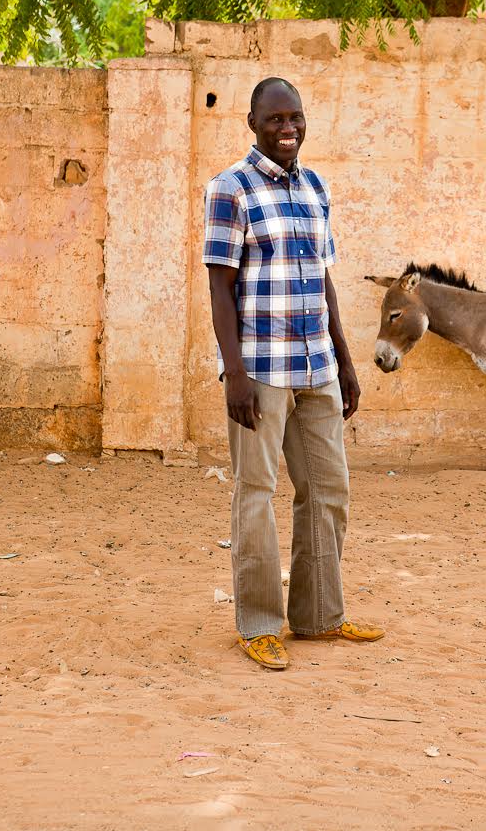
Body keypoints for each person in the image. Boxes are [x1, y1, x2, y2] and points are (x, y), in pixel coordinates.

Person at [202, 77, 384, 670]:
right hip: (260, 367)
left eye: (295, 118)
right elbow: (219, 285)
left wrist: (346, 360)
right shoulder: (230, 189)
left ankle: (319, 616)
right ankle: (259, 623)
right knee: (257, 492)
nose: (288, 129)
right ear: (251, 121)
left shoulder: (315, 188)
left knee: (328, 489)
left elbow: (324, 279)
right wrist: (234, 372)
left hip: (317, 367)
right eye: (275, 119)